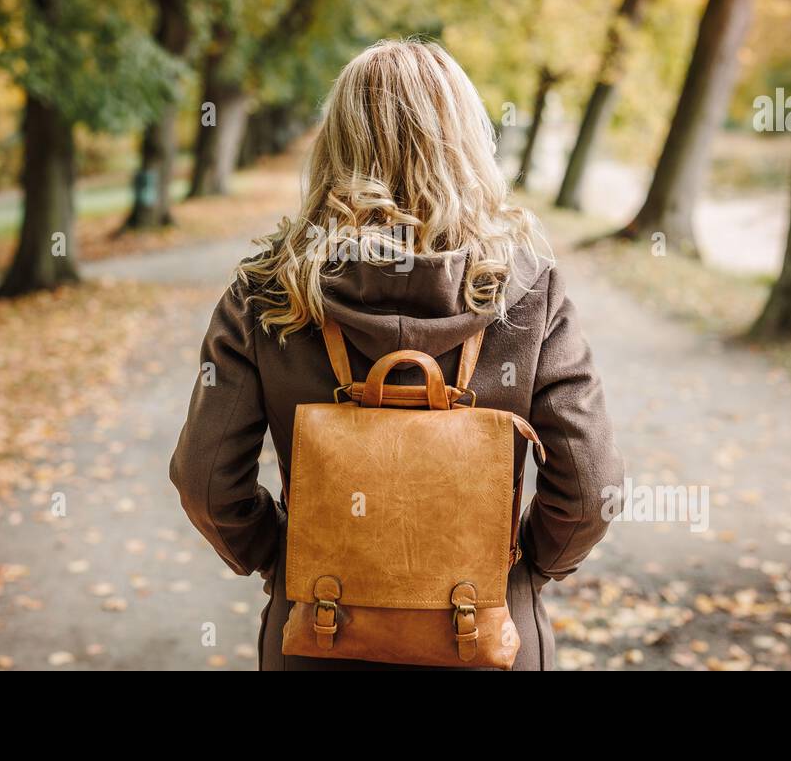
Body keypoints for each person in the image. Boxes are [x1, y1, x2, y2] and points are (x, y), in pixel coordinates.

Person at [170, 39, 623, 670]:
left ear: (335, 145)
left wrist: (284, 557)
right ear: (468, 143)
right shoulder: (527, 291)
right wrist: (522, 571)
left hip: (318, 632)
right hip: (489, 638)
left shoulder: (266, 293)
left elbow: (205, 480)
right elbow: (590, 485)